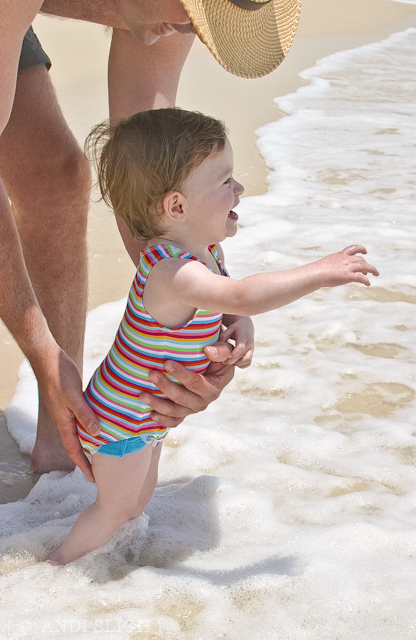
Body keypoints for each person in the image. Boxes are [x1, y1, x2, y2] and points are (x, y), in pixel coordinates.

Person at [46, 108, 379, 564]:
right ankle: (59, 567)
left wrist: (241, 325)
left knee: (136, 503)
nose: (239, 189)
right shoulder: (172, 271)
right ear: (176, 206)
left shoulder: (206, 254)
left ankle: (113, 558)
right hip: (120, 418)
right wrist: (319, 272)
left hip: (146, 414)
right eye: (225, 182)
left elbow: (230, 305)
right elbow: (242, 294)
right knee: (116, 507)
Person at [0, 0, 301, 480]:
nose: (190, 28)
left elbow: (150, 182)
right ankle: (59, 388)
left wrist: (205, 315)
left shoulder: (179, 9)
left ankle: (63, 439)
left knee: (54, 178)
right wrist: (42, 352)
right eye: (194, 13)